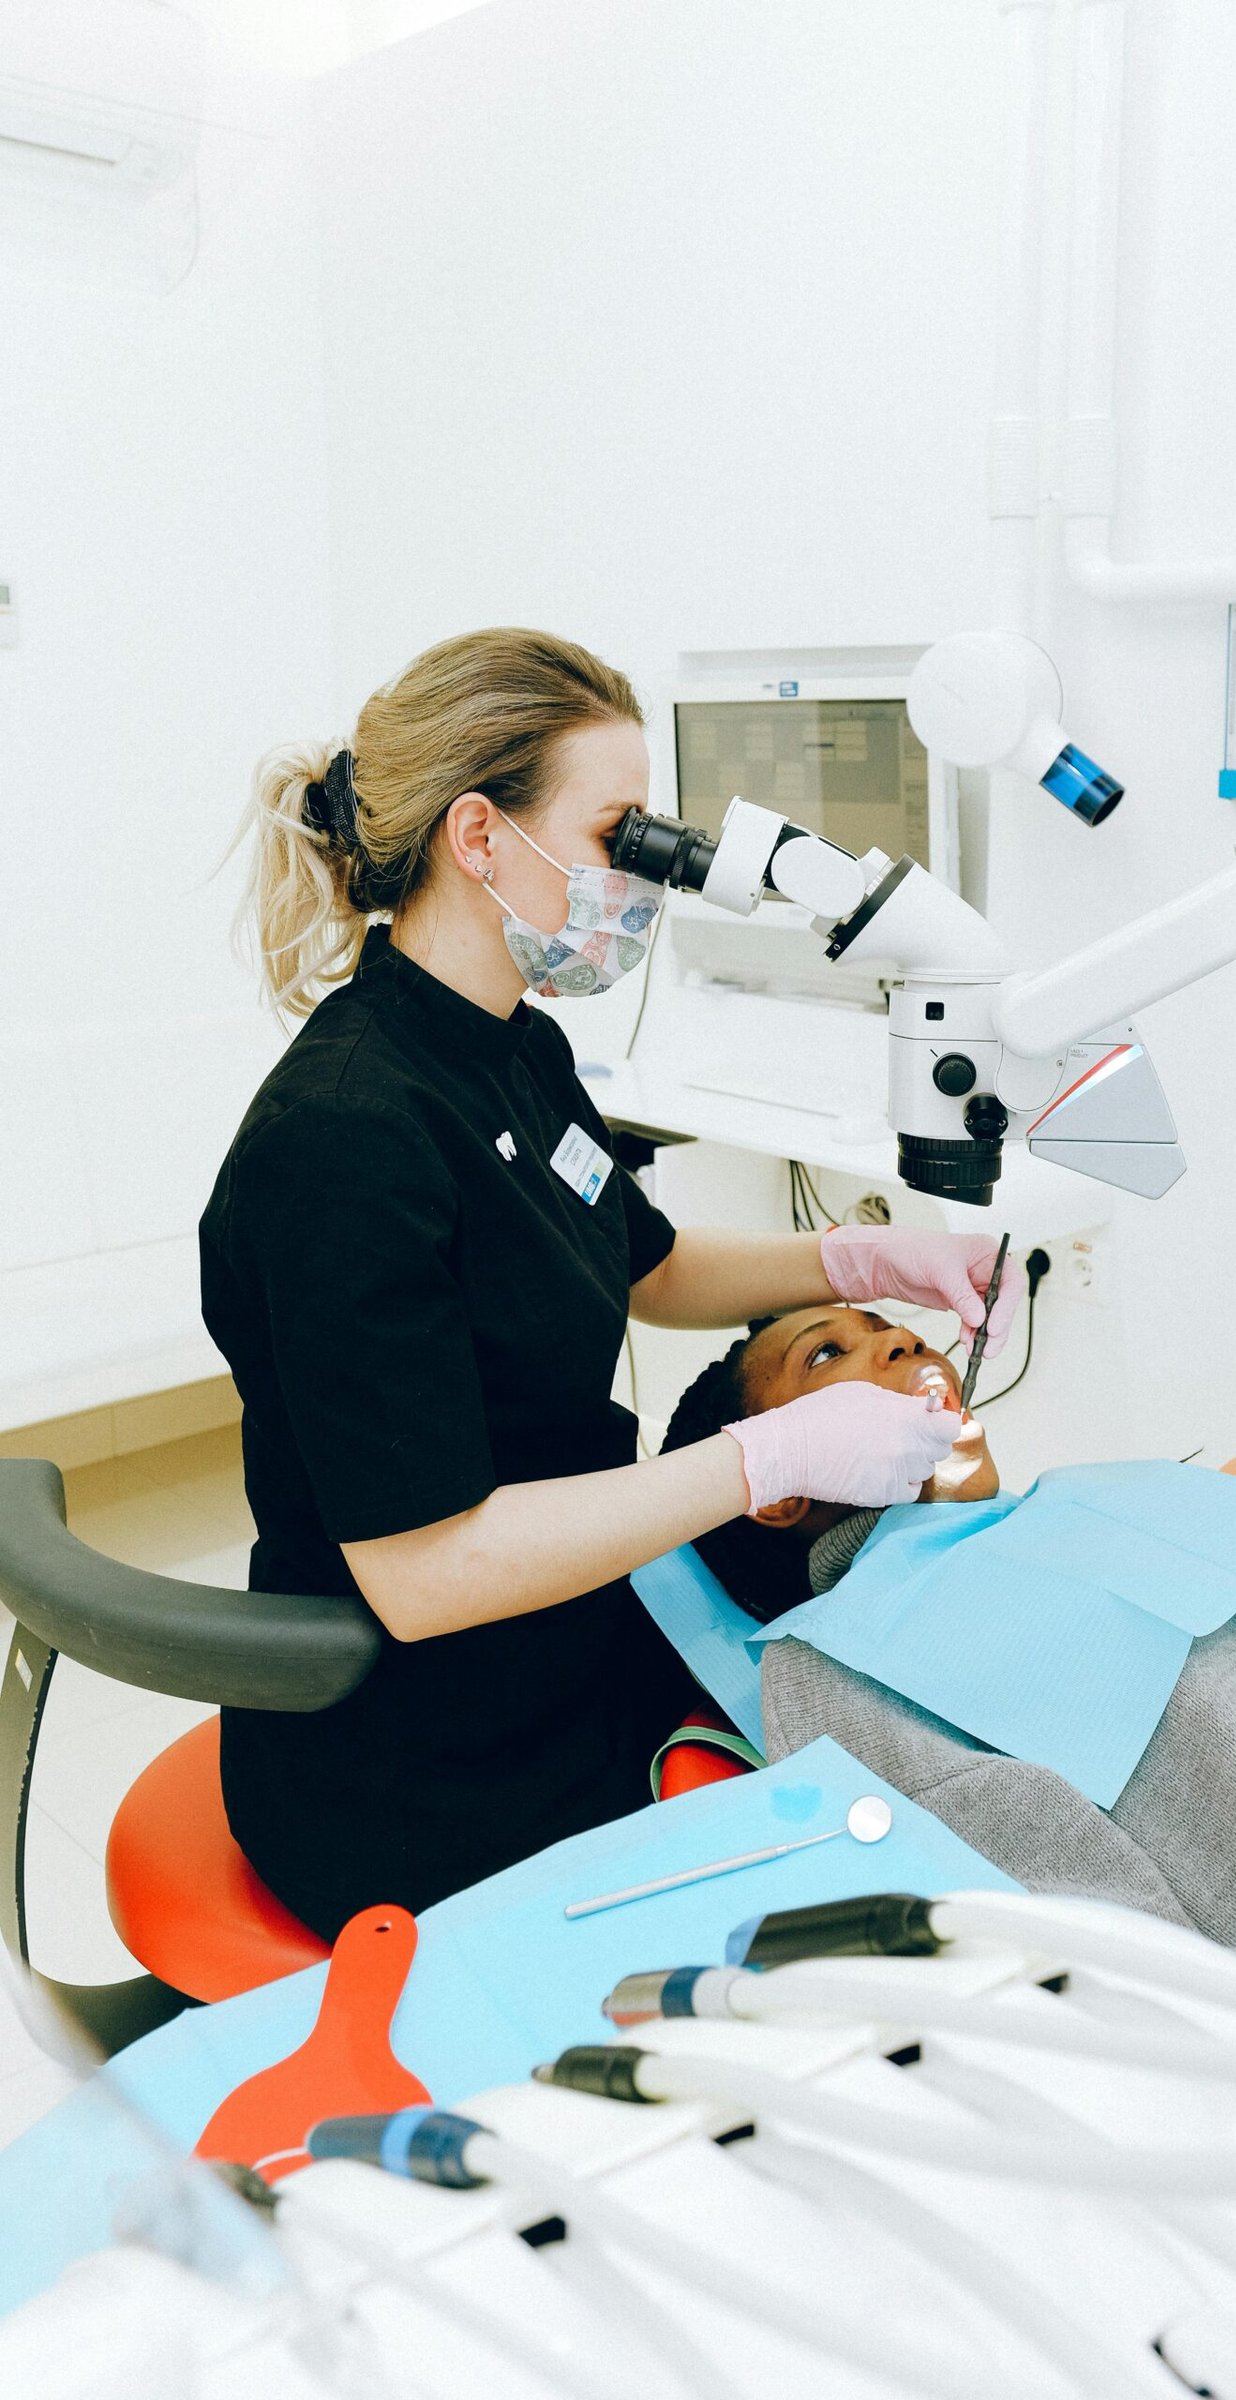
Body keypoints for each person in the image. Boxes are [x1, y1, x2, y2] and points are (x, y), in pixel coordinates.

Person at [203, 627, 1019, 1939]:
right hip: (412, 1752)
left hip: (560, 1640)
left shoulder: (512, 1049)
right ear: (480, 839)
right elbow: (427, 1576)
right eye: (621, 837)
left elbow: (654, 1264)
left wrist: (862, 1258)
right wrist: (764, 1457)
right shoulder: (346, 1142)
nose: (646, 881)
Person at [662, 1305, 1236, 2037]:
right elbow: (1127, 1973)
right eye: (828, 1357)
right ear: (777, 1486)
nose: (903, 1337)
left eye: (888, 1325)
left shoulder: (1121, 1493)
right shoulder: (840, 1662)